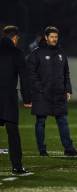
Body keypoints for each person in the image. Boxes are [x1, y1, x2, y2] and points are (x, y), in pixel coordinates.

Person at [27, 26, 77, 156]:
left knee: (63, 121)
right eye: (52, 37)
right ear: (46, 37)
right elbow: (31, 74)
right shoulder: (36, 53)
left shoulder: (61, 53)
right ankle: (42, 150)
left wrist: (67, 89)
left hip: (58, 94)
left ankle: (69, 148)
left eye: (56, 37)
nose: (54, 39)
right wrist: (39, 88)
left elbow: (66, 72)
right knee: (40, 121)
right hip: (42, 94)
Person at [0, 25, 31, 174]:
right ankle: (17, 166)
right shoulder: (17, 53)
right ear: (15, 37)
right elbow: (24, 78)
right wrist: (27, 98)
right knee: (12, 133)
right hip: (8, 99)